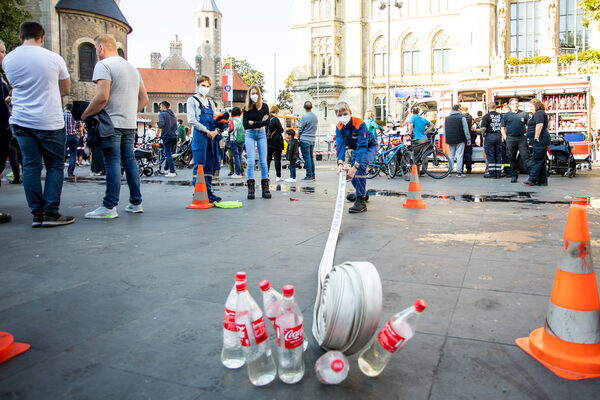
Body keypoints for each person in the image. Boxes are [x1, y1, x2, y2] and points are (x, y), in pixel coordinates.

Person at [3, 21, 74, 227]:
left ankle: (37, 212)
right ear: (42, 37)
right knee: (53, 166)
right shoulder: (53, 58)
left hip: (21, 120)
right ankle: (50, 212)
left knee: (31, 165)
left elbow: (14, 86)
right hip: (48, 120)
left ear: (20, 37)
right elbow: (66, 89)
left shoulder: (9, 59)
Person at [81, 34, 148, 219]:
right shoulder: (132, 69)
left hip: (111, 123)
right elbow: (145, 99)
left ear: (101, 47)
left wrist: (85, 114)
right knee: (130, 161)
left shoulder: (103, 65)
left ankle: (109, 206)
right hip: (129, 123)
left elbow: (102, 97)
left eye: (95, 48)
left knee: (112, 162)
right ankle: (136, 202)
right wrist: (128, 111)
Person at [335, 101, 378, 214]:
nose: (342, 117)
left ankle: (360, 201)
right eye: (339, 115)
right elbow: (340, 146)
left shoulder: (359, 123)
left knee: (360, 166)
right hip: (357, 149)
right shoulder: (339, 127)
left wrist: (356, 166)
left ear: (350, 112)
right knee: (351, 174)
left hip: (369, 147)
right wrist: (340, 163)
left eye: (344, 113)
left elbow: (362, 145)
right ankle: (362, 193)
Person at [186, 75, 222, 202]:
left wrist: (217, 130)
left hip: (211, 137)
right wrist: (207, 130)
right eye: (203, 85)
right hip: (200, 135)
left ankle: (208, 190)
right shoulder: (192, 100)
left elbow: (215, 118)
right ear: (198, 85)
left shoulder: (210, 103)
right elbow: (191, 120)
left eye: (207, 86)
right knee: (200, 164)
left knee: (209, 164)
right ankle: (199, 191)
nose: (205, 88)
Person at [242, 85, 271, 199]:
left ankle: (265, 188)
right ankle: (251, 189)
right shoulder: (246, 108)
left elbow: (267, 122)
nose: (254, 95)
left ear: (259, 94)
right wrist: (260, 121)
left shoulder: (264, 106)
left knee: (263, 161)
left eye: (256, 93)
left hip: (261, 134)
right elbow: (245, 125)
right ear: (249, 95)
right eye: (252, 93)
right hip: (249, 134)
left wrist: (253, 122)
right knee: (250, 161)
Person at [501, 97, 530, 183]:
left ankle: (532, 176)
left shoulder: (524, 114)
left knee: (525, 157)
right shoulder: (506, 115)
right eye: (513, 104)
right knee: (511, 158)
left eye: (516, 104)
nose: (515, 106)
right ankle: (514, 175)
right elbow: (502, 128)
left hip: (521, 138)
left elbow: (529, 125)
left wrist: (528, 136)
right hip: (511, 139)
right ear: (510, 105)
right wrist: (506, 138)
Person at [524, 98, 550, 186]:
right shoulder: (539, 113)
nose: (530, 108)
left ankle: (532, 179)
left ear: (536, 105)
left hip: (540, 139)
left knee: (537, 159)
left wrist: (536, 137)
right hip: (541, 139)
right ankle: (542, 180)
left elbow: (539, 125)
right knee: (541, 160)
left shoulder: (539, 113)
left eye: (531, 106)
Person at [444, 104, 471, 177]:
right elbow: (466, 130)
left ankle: (449, 172)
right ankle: (459, 172)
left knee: (451, 156)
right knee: (459, 155)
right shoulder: (461, 117)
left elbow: (445, 130)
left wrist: (446, 138)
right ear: (458, 109)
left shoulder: (447, 118)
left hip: (450, 139)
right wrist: (468, 139)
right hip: (460, 139)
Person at [480, 102, 503, 178]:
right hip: (499, 136)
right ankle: (498, 172)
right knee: (498, 154)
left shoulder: (486, 116)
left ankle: (492, 172)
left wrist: (483, 135)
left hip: (490, 136)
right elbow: (503, 127)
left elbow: (483, 128)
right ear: (495, 107)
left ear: (488, 108)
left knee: (490, 154)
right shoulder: (500, 116)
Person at [298, 101, 318, 181]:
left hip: (305, 139)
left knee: (307, 158)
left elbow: (300, 129)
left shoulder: (304, 117)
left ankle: (309, 175)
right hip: (312, 139)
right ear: (312, 107)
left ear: (304, 107)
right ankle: (313, 175)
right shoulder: (315, 117)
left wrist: (298, 137)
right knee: (311, 157)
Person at [157, 101, 178, 177]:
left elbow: (161, 125)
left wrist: (157, 134)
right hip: (174, 136)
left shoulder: (162, 114)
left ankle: (172, 171)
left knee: (168, 154)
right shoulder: (173, 115)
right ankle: (166, 169)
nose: (160, 108)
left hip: (167, 136)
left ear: (163, 106)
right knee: (170, 154)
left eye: (160, 107)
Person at [267, 105, 284, 182]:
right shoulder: (276, 119)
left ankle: (266, 175)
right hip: (276, 141)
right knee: (277, 159)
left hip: (268, 141)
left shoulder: (267, 119)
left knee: (268, 159)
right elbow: (281, 130)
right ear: (276, 111)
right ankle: (278, 176)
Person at [63, 104, 81, 178]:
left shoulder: (62, 115)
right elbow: (79, 127)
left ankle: (58, 171)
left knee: (62, 154)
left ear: (65, 108)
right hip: (73, 136)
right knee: (73, 154)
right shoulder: (75, 116)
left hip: (64, 136)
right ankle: (70, 173)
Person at [229, 107, 245, 178]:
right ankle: (241, 172)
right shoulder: (242, 120)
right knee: (240, 156)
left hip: (234, 139)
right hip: (241, 140)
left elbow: (230, 129)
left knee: (235, 156)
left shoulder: (232, 120)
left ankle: (237, 173)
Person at [461, 106, 475, 174]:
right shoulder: (470, 117)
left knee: (461, 154)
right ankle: (469, 169)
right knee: (468, 154)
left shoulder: (460, 117)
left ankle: (460, 169)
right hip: (469, 137)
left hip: (461, 138)